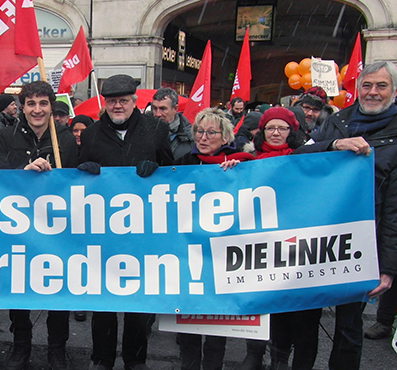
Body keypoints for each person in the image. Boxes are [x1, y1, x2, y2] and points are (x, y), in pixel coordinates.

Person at [294, 60, 397, 370]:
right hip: (317, 240)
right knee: (305, 320)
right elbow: (299, 157)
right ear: (357, 88)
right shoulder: (337, 121)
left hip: (362, 246)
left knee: (349, 328)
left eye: (381, 86)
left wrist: (388, 266)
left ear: (393, 91)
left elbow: (394, 208)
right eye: (367, 85)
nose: (373, 92)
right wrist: (334, 144)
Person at [77, 74, 174, 370]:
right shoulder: (92, 134)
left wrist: (157, 169)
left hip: (143, 227)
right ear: (104, 103)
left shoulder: (156, 129)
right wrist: (84, 171)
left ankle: (135, 358)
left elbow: (173, 173)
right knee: (103, 300)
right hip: (104, 229)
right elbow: (75, 178)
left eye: (123, 100)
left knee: (138, 300)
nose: (117, 106)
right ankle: (102, 358)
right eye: (112, 101)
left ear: (134, 101)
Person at [0, 81, 78, 370]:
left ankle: (57, 347)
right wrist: (22, 174)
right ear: (22, 107)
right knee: (19, 289)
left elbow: (79, 178)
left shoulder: (66, 139)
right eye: (31, 103)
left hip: (58, 229)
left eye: (43, 103)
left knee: (59, 291)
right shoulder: (5, 136)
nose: (37, 109)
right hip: (19, 229)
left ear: (52, 107)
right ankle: (21, 345)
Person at [174, 108, 253, 370]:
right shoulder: (183, 162)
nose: (203, 137)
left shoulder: (239, 163)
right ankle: (189, 364)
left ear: (225, 137)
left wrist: (238, 173)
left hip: (222, 254)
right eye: (199, 131)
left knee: (216, 322)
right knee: (188, 318)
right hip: (189, 252)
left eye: (210, 132)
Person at [238, 108, 311, 370]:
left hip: (291, 241)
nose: (276, 133)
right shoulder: (249, 159)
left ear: (292, 132)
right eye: (271, 128)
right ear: (262, 131)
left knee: (285, 302)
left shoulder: (303, 159)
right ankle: (254, 353)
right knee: (258, 298)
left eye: (282, 128)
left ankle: (280, 357)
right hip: (257, 241)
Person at [151, 87, 193, 160]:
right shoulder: (142, 131)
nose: (157, 114)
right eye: (154, 108)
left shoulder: (191, 136)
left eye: (163, 109)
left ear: (175, 109)